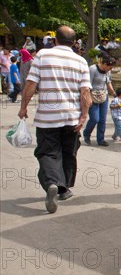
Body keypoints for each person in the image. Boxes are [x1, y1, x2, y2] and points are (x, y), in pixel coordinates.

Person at [18, 25, 91, 213]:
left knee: (48, 152)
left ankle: (52, 183)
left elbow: (31, 83)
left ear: (55, 40)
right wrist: (84, 115)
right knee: (69, 152)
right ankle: (64, 188)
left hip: (47, 118)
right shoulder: (81, 61)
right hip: (71, 117)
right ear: (74, 42)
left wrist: (23, 107)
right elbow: (85, 92)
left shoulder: (42, 56)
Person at [83, 54, 116, 146]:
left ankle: (100, 139)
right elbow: (87, 84)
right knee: (94, 118)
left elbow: (108, 82)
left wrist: (113, 93)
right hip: (93, 96)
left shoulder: (107, 72)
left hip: (103, 96)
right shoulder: (92, 69)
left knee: (102, 119)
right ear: (104, 64)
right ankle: (86, 134)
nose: (110, 69)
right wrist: (88, 97)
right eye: (110, 67)